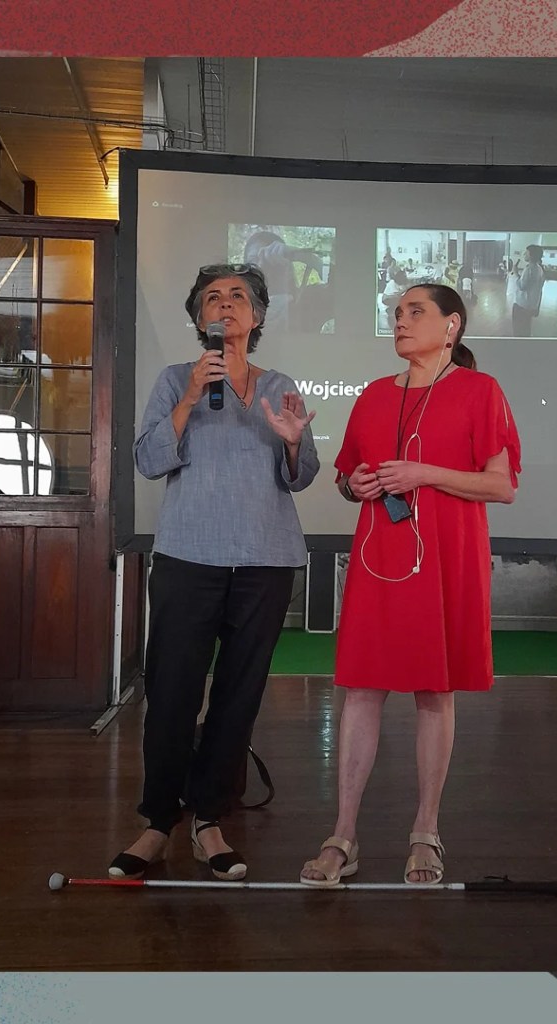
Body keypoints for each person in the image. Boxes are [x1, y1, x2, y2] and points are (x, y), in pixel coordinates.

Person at [300, 283, 521, 887]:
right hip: (380, 561)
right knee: (361, 689)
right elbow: (345, 477)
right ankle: (342, 834)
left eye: (414, 311)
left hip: (448, 559)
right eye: (395, 312)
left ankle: (426, 830)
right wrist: (358, 486)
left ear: (452, 326)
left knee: (434, 691)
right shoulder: (373, 396)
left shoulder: (482, 392)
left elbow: (500, 485)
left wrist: (425, 473)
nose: (399, 320)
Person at [110, 263, 319, 882]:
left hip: (265, 561)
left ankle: (209, 821)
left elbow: (301, 474)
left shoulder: (279, 383)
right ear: (199, 318)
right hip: (187, 557)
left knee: (237, 698)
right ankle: (156, 822)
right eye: (212, 298)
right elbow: (148, 460)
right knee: (172, 690)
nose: (224, 305)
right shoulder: (177, 378)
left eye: (238, 298)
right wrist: (191, 398)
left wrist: (288, 441)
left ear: (255, 318)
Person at [511, 245, 545, 337]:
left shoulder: (529, 269)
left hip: (522, 306)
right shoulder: (539, 269)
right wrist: (537, 306)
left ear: (531, 255)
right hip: (531, 305)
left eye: (526, 252)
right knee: (526, 329)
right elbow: (539, 290)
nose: (524, 254)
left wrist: (516, 273)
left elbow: (522, 286)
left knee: (519, 331)